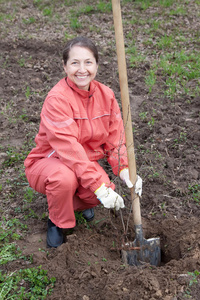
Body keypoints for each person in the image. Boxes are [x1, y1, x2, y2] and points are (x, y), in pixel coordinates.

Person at [24, 36, 142, 248]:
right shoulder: (57, 99)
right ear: (64, 66)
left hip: (84, 162)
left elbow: (115, 140)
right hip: (50, 161)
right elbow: (69, 150)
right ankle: (58, 222)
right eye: (74, 63)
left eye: (88, 62)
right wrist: (97, 185)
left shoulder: (106, 95)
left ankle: (71, 204)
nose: (82, 69)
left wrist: (125, 169)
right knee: (65, 179)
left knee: (101, 189)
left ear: (96, 64)